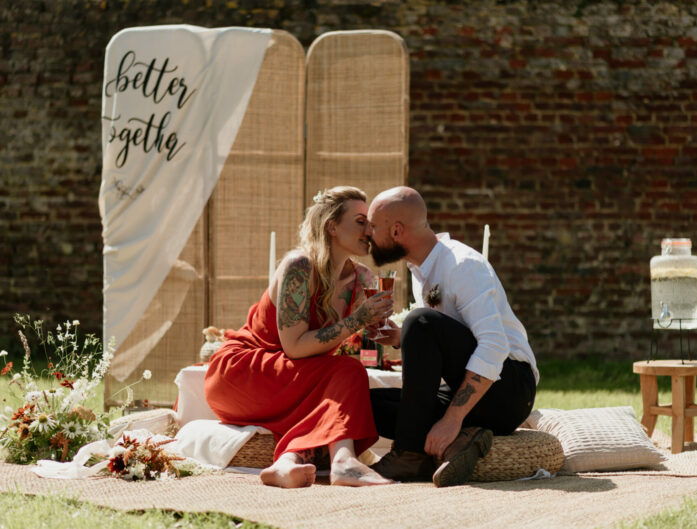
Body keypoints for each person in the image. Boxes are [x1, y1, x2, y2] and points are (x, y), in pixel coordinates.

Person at [205, 186, 395, 488]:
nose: (369, 230)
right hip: (242, 372)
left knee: (335, 380)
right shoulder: (299, 267)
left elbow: (351, 342)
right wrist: (358, 319)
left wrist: (386, 332)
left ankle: (287, 462)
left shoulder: (363, 279)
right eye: (360, 221)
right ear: (332, 226)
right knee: (345, 372)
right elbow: (294, 347)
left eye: (369, 223)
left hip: (292, 378)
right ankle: (344, 461)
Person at [364, 186, 539, 487]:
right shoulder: (422, 271)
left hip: (510, 390)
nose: (368, 236)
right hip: (467, 389)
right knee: (363, 403)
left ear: (396, 231)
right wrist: (400, 338)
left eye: (372, 227)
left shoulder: (462, 265)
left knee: (419, 321)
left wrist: (451, 419)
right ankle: (465, 438)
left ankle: (410, 455)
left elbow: (494, 345)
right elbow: (442, 343)